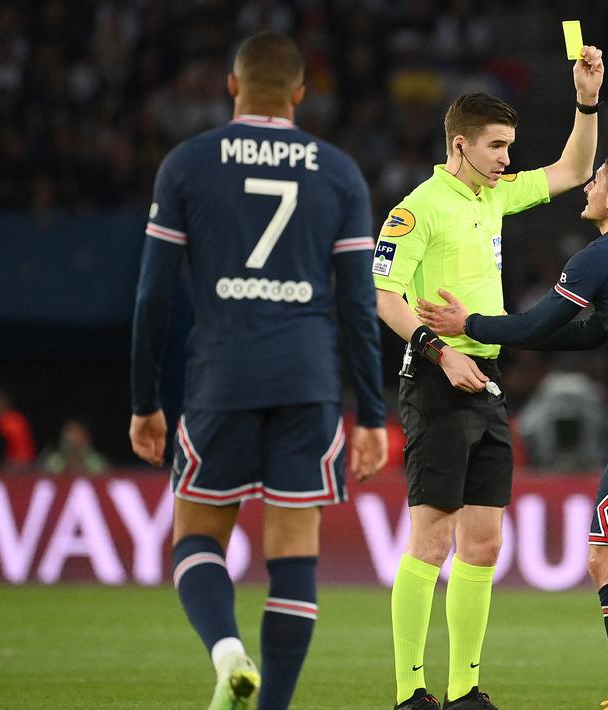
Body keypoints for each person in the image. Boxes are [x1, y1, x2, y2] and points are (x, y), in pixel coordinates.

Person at [128, 32, 388, 710]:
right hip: (307, 378)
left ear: (231, 85)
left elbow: (153, 294)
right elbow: (359, 303)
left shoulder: (187, 163)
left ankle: (226, 653)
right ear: (301, 94)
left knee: (196, 537)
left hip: (222, 376)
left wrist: (144, 399)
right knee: (294, 555)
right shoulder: (337, 172)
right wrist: (372, 412)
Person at [417, 151, 608, 710]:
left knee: (607, 558)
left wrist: (473, 326)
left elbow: (540, 322)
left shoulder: (602, 255)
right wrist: (505, 332)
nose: (587, 184)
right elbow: (587, 335)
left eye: (597, 179)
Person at [371, 47, 605, 710]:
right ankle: (410, 690)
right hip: (437, 374)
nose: (507, 158)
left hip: (488, 376)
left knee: (484, 539)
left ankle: (464, 687)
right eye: (497, 146)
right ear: (460, 144)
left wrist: (585, 98)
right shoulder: (417, 210)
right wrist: (440, 350)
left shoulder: (492, 195)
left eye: (509, 147)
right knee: (433, 535)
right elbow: (383, 295)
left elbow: (574, 168)